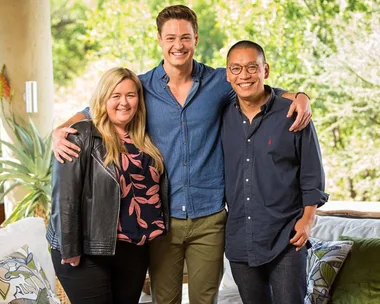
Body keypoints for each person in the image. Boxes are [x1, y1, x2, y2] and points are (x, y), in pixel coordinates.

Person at [52, 5, 313, 304]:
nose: (179, 45)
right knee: (165, 299)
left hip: (210, 217)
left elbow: (257, 89)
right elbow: (95, 109)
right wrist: (58, 130)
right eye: (171, 37)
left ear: (196, 39)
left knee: (205, 299)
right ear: (160, 40)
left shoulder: (219, 83)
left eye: (186, 37)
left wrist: (301, 97)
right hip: (163, 220)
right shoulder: (140, 87)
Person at [46, 67, 169, 304]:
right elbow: (65, 196)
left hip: (133, 250)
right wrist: (70, 246)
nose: (124, 102)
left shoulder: (145, 140)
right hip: (87, 250)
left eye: (131, 95)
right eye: (116, 95)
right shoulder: (81, 135)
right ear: (102, 99)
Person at [222, 40, 329, 304]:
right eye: (236, 69)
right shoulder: (221, 115)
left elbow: (312, 172)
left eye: (251, 67)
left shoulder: (293, 114)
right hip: (240, 239)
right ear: (227, 74)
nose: (244, 75)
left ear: (265, 70)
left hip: (286, 238)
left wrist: (308, 219)